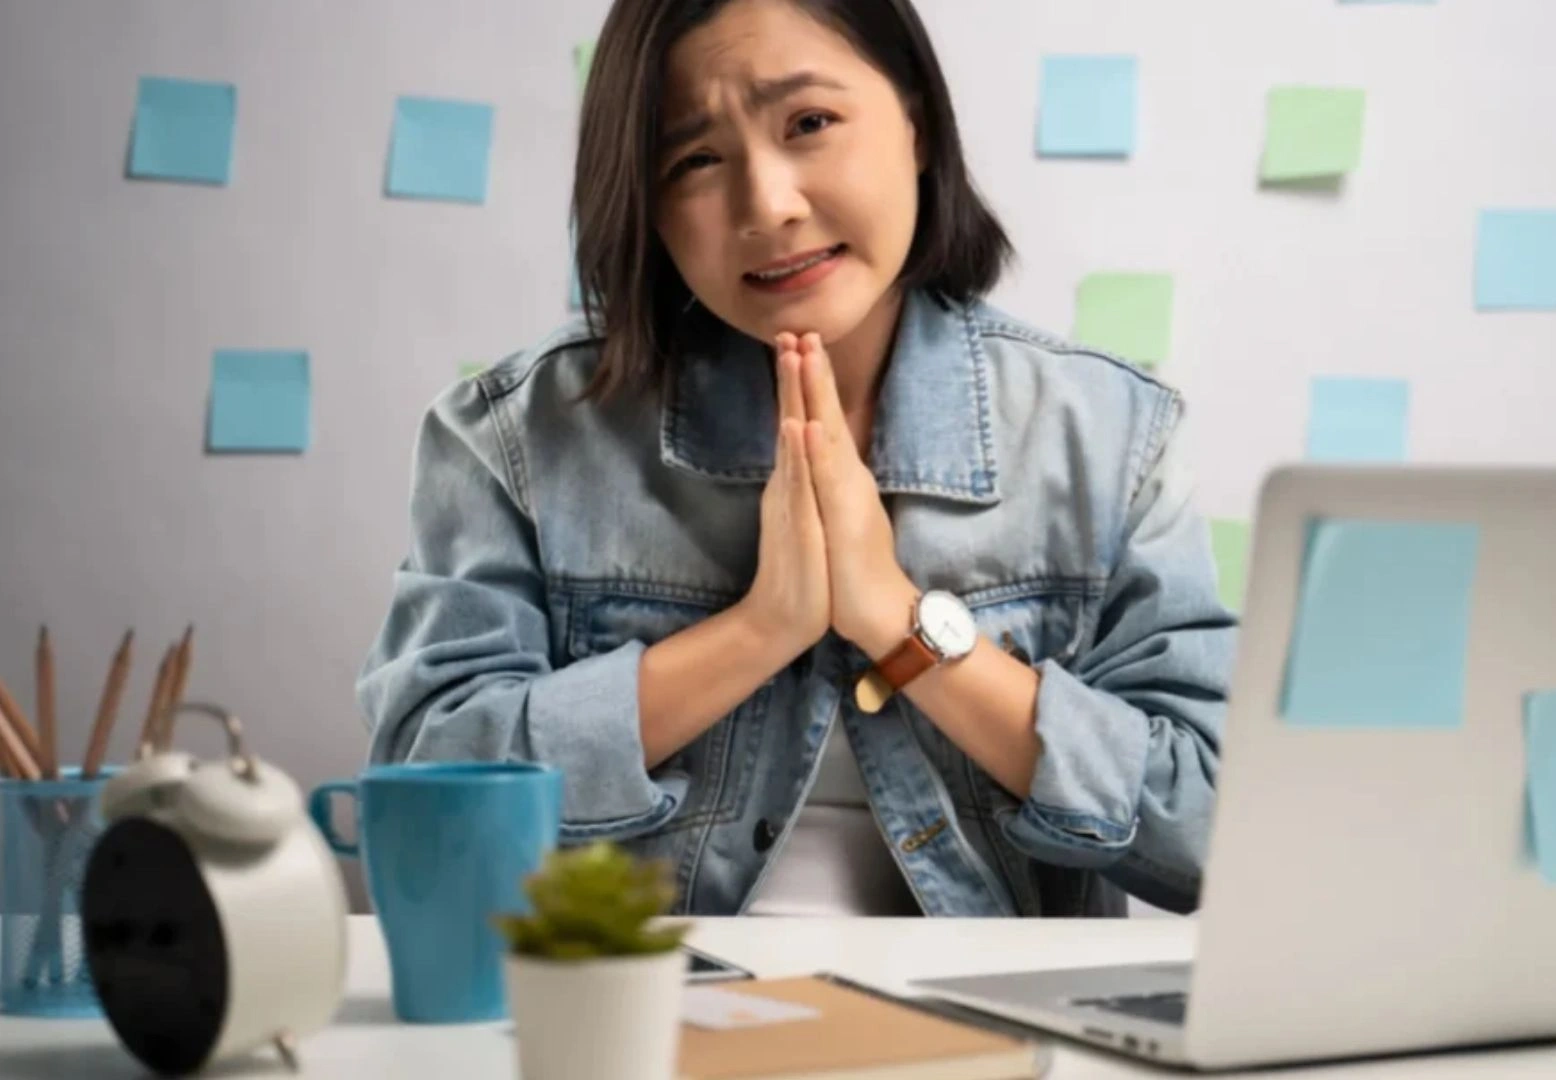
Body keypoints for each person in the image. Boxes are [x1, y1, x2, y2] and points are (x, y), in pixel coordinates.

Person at [357, 0, 1235, 917]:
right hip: (644, 1016)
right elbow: (428, 799)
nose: (768, 205)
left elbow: (1206, 832)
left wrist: (902, 626)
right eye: (695, 160)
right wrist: (761, 629)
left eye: (809, 123)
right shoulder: (516, 436)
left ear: (918, 126)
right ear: (647, 208)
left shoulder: (1107, 433)